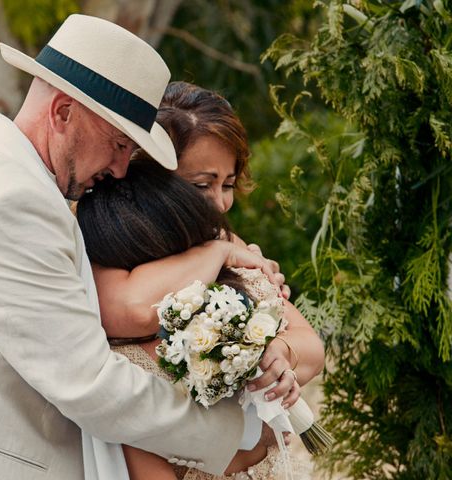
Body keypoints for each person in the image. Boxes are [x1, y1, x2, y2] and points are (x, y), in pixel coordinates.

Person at [0, 15, 284, 480]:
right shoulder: (10, 202)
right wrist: (235, 435)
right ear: (62, 112)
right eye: (118, 143)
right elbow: (89, 383)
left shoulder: (15, 185)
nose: (122, 168)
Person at [76, 159, 323, 480]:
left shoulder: (230, 271)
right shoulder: (123, 366)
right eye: (203, 184)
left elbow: (312, 348)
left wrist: (280, 352)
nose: (217, 203)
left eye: (228, 184)